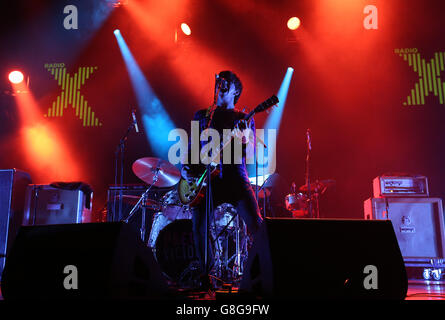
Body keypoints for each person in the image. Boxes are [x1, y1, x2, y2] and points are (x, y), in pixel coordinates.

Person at [181, 70, 263, 290]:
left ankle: (261, 274)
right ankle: (206, 278)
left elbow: (250, 150)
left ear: (235, 91)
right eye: (218, 83)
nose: (220, 85)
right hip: (207, 180)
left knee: (258, 226)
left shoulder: (242, 118)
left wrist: (244, 136)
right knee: (198, 225)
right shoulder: (202, 116)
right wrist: (184, 170)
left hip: (236, 178)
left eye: (226, 84)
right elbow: (191, 149)